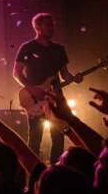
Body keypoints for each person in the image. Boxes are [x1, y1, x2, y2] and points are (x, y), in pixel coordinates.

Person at [13, 13, 82, 163]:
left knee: (58, 136)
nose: (52, 28)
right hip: (35, 99)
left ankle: (56, 170)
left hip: (56, 97)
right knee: (35, 138)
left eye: (52, 25)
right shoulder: (27, 48)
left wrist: (74, 79)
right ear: (37, 27)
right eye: (48, 25)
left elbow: (64, 74)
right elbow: (16, 73)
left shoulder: (59, 49)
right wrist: (32, 89)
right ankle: (34, 173)